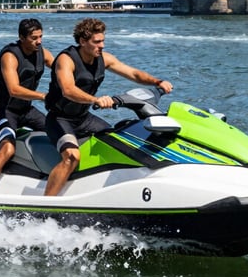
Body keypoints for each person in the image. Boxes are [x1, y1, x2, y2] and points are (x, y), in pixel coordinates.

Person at [43, 17, 173, 196]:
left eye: (103, 40)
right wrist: (95, 100)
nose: (102, 45)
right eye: (97, 42)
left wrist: (157, 81)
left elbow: (133, 73)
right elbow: (68, 89)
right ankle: (47, 204)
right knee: (72, 157)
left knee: (118, 142)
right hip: (60, 119)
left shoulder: (104, 59)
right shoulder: (66, 59)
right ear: (82, 41)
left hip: (83, 119)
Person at [0, 18, 54, 193]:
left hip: (27, 110)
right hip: (7, 110)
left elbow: (62, 70)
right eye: (34, 38)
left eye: (41, 36)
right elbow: (13, 89)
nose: (39, 41)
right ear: (21, 37)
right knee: (8, 149)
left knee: (59, 134)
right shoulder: (10, 56)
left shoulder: (43, 53)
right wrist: (44, 96)